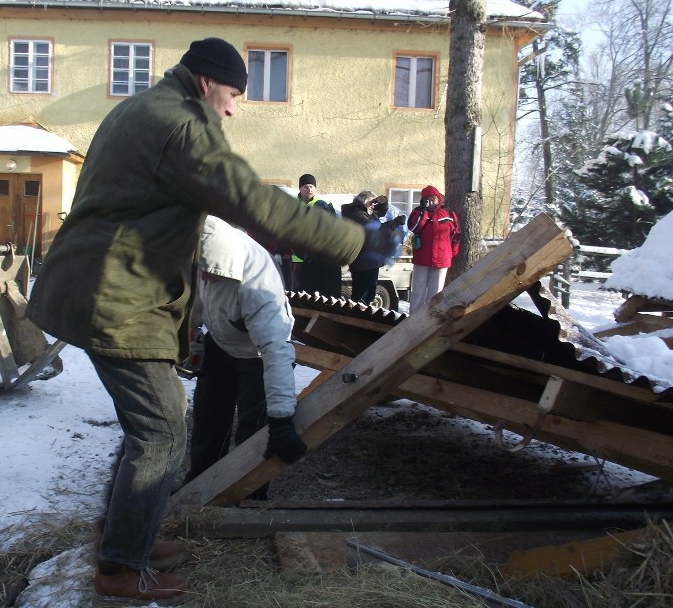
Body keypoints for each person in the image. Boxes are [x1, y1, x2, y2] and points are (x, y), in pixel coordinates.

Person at [25, 37, 395, 604]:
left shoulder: (140, 108)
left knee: (149, 431)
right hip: (118, 297)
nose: (232, 109)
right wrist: (354, 241)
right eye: (232, 95)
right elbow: (252, 199)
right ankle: (121, 568)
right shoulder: (180, 125)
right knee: (163, 435)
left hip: (106, 286)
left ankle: (121, 539)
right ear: (205, 83)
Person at [181, 216, 306, 502]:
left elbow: (277, 352)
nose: (205, 277)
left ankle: (250, 495)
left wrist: (281, 420)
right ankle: (200, 487)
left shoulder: (258, 287)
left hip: (257, 355)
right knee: (208, 420)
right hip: (221, 343)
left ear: (227, 266)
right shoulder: (206, 256)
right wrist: (190, 335)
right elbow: (197, 304)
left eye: (211, 273)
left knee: (254, 432)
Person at [341, 191, 407, 306]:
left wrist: (383, 202)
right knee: (360, 299)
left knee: (367, 298)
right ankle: (356, 321)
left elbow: (379, 213)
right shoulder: (358, 215)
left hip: (369, 262)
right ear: (363, 202)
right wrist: (395, 222)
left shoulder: (364, 212)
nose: (373, 206)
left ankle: (359, 319)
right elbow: (377, 229)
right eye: (371, 202)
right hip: (363, 262)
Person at [406, 185, 460, 313]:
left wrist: (451, 253)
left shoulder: (449, 214)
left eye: (433, 198)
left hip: (442, 259)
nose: (431, 201)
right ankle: (413, 317)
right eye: (427, 198)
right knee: (418, 290)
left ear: (438, 198)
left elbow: (456, 235)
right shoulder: (417, 212)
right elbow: (414, 228)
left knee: (435, 292)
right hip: (422, 258)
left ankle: (430, 316)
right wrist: (424, 211)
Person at [291, 173, 343, 297]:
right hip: (299, 258)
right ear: (300, 188)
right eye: (306, 187)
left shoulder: (324, 204)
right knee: (301, 293)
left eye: (312, 186)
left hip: (320, 256)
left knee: (322, 293)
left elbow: (334, 227)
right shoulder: (293, 205)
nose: (309, 189)